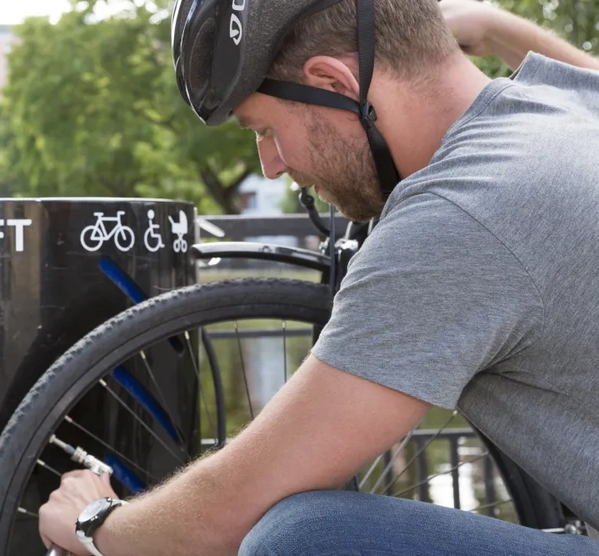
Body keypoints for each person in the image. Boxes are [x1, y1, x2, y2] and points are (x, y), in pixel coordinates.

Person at [38, 0, 599, 554]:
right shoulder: (567, 110)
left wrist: (94, 524)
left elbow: (229, 509)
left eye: (264, 129)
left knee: (306, 538)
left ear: (332, 83)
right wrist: (494, 25)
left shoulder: (462, 212)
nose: (270, 165)